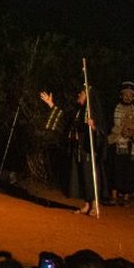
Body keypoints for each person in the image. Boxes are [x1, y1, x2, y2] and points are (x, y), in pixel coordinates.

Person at [42, 87, 105, 215]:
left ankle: (94, 205)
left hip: (88, 149)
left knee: (89, 177)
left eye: (81, 93)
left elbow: (102, 132)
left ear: (87, 96)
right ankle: (87, 204)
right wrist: (51, 104)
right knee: (81, 177)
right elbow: (65, 119)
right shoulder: (77, 111)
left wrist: (93, 127)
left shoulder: (94, 112)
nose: (79, 94)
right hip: (77, 148)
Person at [107, 81, 134, 206]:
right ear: (121, 95)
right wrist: (121, 131)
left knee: (129, 172)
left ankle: (126, 198)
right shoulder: (116, 108)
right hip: (117, 142)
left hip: (130, 143)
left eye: (130, 95)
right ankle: (113, 197)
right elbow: (114, 126)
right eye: (126, 94)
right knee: (115, 170)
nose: (128, 97)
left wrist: (133, 133)